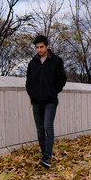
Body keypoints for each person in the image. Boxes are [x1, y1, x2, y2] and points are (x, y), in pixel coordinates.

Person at [25, 35, 67, 168]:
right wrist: (32, 94)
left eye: (41, 47)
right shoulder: (33, 63)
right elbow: (28, 82)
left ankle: (47, 156)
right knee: (40, 129)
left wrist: (52, 92)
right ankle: (45, 157)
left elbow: (62, 80)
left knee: (48, 126)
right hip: (36, 101)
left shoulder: (56, 61)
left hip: (50, 100)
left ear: (47, 46)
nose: (39, 50)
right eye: (37, 47)